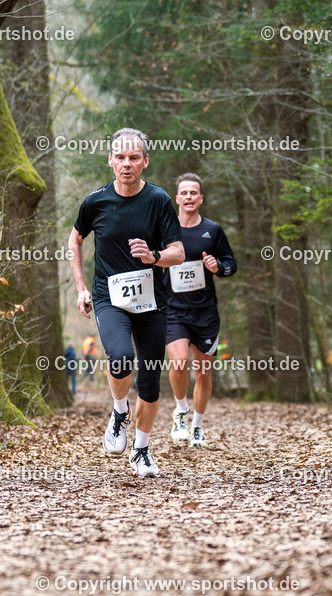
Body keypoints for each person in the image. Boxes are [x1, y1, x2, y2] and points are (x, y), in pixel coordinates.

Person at [67, 128, 184, 477]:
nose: (126, 164)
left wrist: (154, 256)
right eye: (120, 157)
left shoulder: (159, 200)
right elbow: (74, 242)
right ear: (110, 161)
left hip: (152, 301)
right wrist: (81, 288)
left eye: (134, 157)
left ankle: (141, 449)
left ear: (145, 161)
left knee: (149, 382)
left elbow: (178, 252)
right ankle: (119, 412)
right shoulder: (96, 201)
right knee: (120, 358)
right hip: (109, 296)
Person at [164, 173, 236, 447]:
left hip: (205, 311)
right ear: (177, 198)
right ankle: (181, 411)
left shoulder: (213, 230)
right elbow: (153, 261)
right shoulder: (166, 230)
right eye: (184, 193)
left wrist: (218, 267)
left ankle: (197, 425)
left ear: (201, 198)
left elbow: (231, 263)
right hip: (174, 309)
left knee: (203, 374)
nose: (189, 197)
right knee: (179, 362)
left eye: (194, 192)